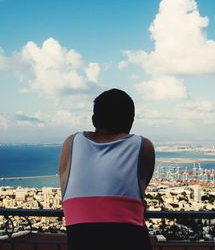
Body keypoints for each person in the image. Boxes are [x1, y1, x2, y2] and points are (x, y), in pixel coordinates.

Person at [59, 88, 155, 250]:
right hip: (132, 241)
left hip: (81, 242)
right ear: (131, 121)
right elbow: (140, 188)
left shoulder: (72, 143)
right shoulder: (142, 146)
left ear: (94, 120)